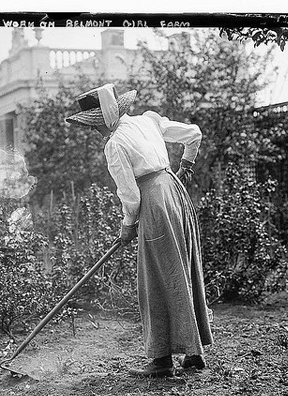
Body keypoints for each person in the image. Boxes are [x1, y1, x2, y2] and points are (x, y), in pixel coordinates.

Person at [65, 84, 213, 377]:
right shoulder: (148, 121)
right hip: (176, 193)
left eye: (94, 124)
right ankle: (194, 353)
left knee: (158, 277)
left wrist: (126, 227)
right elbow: (193, 133)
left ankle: (161, 360)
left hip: (155, 205)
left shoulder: (115, 144)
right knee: (181, 268)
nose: (94, 131)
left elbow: (130, 195)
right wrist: (186, 165)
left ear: (106, 118)